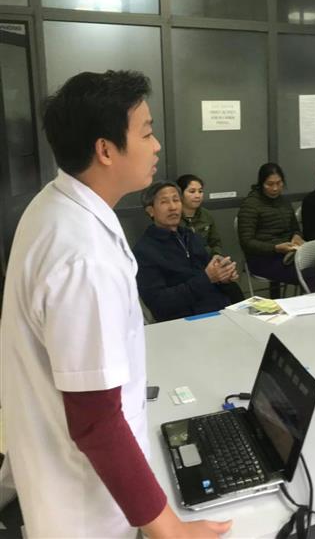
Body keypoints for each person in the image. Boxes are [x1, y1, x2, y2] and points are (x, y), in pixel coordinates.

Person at [0, 70, 230, 537]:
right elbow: (96, 423)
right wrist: (170, 529)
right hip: (85, 502)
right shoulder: (84, 256)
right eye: (145, 132)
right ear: (106, 150)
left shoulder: (53, 205)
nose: (157, 145)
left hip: (64, 468)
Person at [134, 180, 244, 321]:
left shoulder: (190, 236)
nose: (173, 207)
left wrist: (224, 276)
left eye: (176, 200)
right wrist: (208, 278)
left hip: (219, 308)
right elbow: (159, 303)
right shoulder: (144, 251)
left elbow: (209, 274)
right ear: (150, 211)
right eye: (164, 202)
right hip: (186, 319)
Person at [237, 162, 304, 289]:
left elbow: (295, 228)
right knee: (306, 272)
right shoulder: (251, 205)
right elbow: (246, 242)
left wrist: (296, 236)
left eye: (279, 183)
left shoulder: (284, 202)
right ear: (261, 183)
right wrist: (275, 248)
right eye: (270, 184)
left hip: (287, 253)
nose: (275, 188)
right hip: (261, 258)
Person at [177, 173, 223, 256]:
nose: (197, 196)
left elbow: (215, 243)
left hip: (206, 259)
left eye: (200, 191)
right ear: (180, 194)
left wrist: (216, 255)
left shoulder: (206, 215)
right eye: (192, 191)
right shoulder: (173, 217)